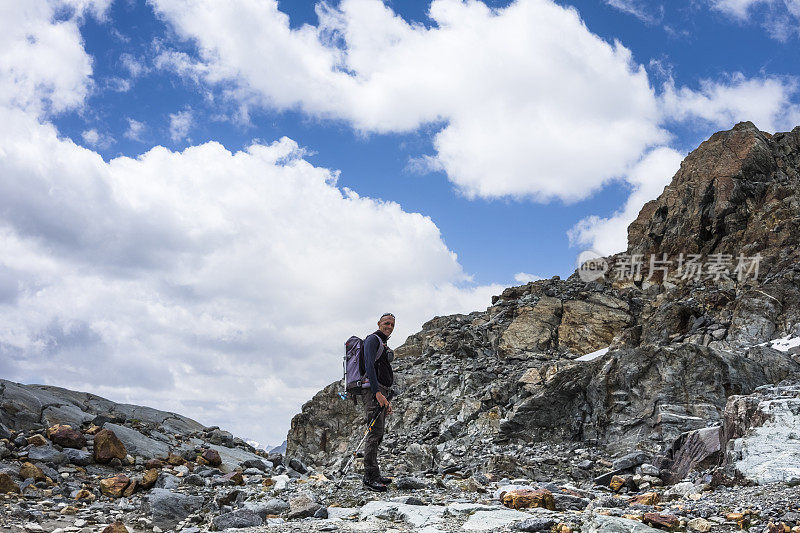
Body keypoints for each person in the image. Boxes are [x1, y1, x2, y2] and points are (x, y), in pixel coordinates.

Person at [361, 312, 395, 492]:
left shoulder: (382, 342)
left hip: (381, 392)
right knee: (374, 432)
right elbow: (369, 365)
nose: (389, 327)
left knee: (378, 432)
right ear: (379, 323)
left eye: (392, 325)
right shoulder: (372, 340)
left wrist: (385, 398)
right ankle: (369, 477)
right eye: (386, 323)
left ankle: (375, 473)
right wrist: (377, 393)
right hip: (374, 391)